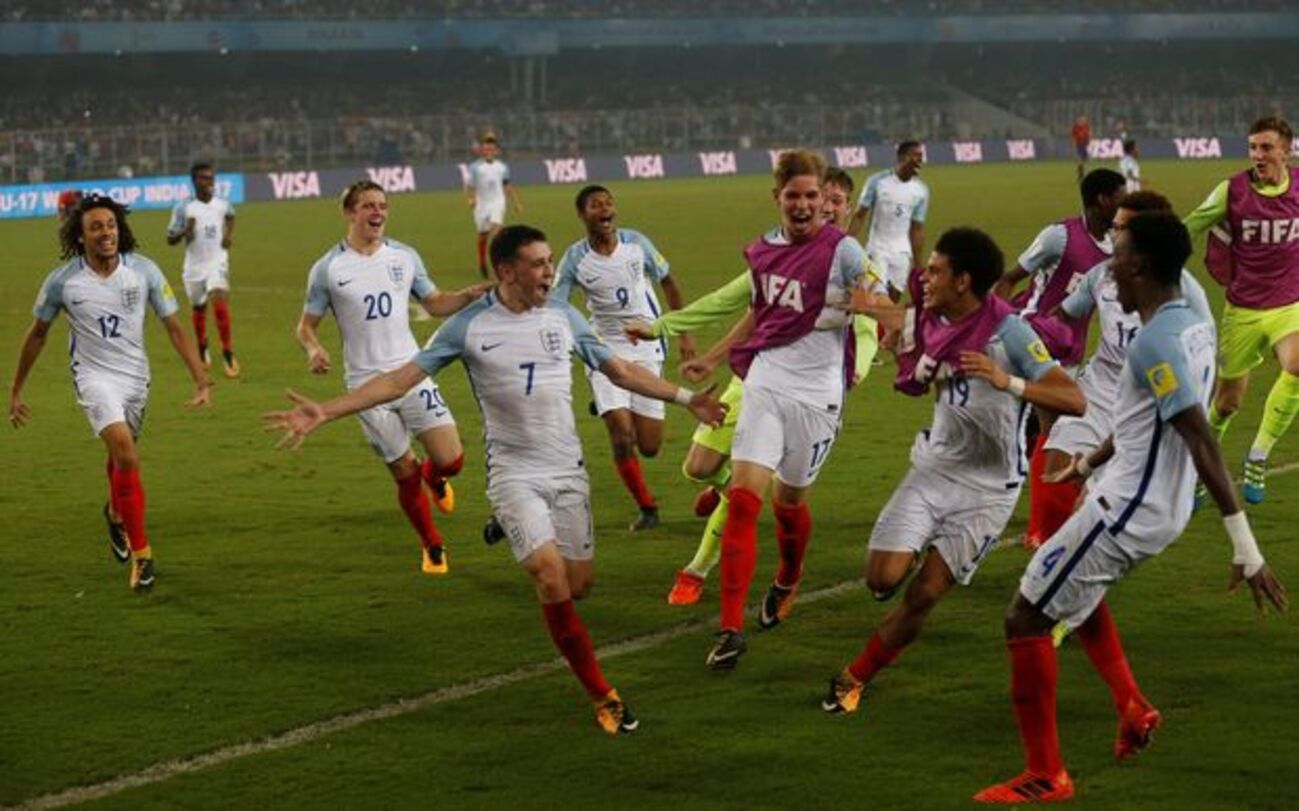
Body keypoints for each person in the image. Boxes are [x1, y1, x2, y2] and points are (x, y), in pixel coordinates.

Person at [266, 224, 726, 735]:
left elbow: (620, 371)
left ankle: (516, 533)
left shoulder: (564, 316)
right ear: (505, 271)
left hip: (568, 472)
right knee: (550, 577)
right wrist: (326, 411)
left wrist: (687, 400)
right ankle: (604, 694)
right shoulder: (467, 328)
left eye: (551, 261)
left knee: (579, 586)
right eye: (537, 264)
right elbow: (399, 380)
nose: (550, 272)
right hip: (513, 475)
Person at [974, 211, 1288, 805]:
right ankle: (1134, 708)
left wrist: (1247, 550)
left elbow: (1201, 437)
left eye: (1115, 250)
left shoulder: (1153, 343)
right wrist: (1088, 464)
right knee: (1074, 591)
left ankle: (1046, 774)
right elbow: (1152, 417)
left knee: (1023, 618)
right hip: (1141, 498)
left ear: (1139, 263)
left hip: (1126, 513)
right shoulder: (1191, 317)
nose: (1106, 262)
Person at [820, 228, 1084, 717]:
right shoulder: (934, 320)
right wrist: (865, 305)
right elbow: (904, 320)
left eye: (937, 270)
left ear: (963, 281)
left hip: (988, 490)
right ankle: (917, 545)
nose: (927, 277)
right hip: (933, 471)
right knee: (881, 579)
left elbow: (1072, 398)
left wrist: (1008, 381)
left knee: (922, 595)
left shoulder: (1009, 333)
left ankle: (855, 676)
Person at [628, 166, 884, 606]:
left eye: (839, 200)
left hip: (808, 392)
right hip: (755, 379)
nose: (829, 206)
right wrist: (670, 332)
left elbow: (869, 324)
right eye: (826, 198)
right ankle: (726, 490)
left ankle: (697, 568)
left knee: (747, 492)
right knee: (697, 467)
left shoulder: (855, 264)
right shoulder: (782, 253)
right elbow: (737, 303)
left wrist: (857, 368)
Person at [675, 149, 875, 671]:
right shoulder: (762, 251)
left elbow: (881, 303)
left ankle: (788, 576)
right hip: (764, 382)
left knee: (789, 505)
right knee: (743, 501)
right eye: (795, 196)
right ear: (777, 199)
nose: (805, 204)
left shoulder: (845, 252)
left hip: (817, 397)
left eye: (812, 196)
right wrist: (713, 358)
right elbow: (757, 315)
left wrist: (872, 310)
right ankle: (730, 629)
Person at [10, 194, 212, 592]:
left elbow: (173, 326)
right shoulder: (63, 281)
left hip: (136, 378)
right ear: (80, 236)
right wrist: (16, 389)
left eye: (111, 225)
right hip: (93, 378)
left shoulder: (145, 272)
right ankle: (143, 555)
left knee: (122, 455)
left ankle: (115, 512)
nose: (106, 233)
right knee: (124, 449)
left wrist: (201, 377)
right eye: (96, 227)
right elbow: (37, 335)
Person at [297, 180, 487, 574]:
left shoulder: (404, 257)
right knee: (404, 472)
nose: (377, 212)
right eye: (367, 206)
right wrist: (314, 348)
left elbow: (434, 304)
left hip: (413, 371)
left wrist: (468, 294)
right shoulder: (328, 269)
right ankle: (432, 545)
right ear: (350, 213)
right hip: (367, 386)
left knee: (451, 460)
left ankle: (437, 479)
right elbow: (305, 326)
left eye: (382, 205)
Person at [1036, 191, 1212, 542]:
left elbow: (1201, 365)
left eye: (1122, 229)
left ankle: (1068, 570)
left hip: (1147, 402)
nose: (1112, 236)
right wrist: (1037, 334)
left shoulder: (1187, 295)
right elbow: (1065, 315)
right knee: (1054, 465)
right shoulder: (1100, 276)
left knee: (1095, 508)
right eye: (1113, 227)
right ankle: (1055, 557)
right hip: (1099, 389)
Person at [994, 168, 1126, 549]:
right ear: (1103, 200)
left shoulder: (1117, 251)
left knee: (1053, 436)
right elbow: (1011, 277)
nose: (1125, 199)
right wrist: (998, 325)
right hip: (1030, 343)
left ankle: (1043, 526)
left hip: (1068, 354)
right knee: (1027, 433)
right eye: (1121, 194)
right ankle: (1037, 525)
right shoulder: (1060, 236)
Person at [552, 185, 696, 531]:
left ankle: (611, 402)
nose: (604, 210)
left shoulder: (636, 244)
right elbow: (555, 304)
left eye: (608, 203)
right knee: (621, 434)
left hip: (646, 345)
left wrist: (684, 334)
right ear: (582, 215)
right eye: (595, 205)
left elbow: (670, 283)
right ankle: (647, 508)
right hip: (604, 348)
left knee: (649, 446)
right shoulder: (574, 259)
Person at [1183, 116, 1299, 504]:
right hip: (1243, 309)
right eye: (1253, 148)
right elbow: (1192, 226)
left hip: (1289, 304)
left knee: (1297, 364)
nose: (1258, 155)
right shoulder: (1230, 191)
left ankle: (1259, 454)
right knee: (1228, 401)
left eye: (1266, 148)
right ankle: (1204, 465)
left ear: (1286, 150)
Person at [167, 162, 240, 378]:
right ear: (194, 181)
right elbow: (170, 238)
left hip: (218, 261)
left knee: (219, 301)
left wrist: (228, 236)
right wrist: (184, 231)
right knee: (199, 308)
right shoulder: (183, 208)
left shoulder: (222, 204)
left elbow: (231, 216)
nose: (209, 182)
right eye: (204, 178)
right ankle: (202, 346)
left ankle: (227, 352)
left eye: (211, 178)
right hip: (194, 266)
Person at [847, 140, 929, 301]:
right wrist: (845, 243)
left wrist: (919, 265)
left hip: (902, 253)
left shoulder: (921, 191)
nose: (920, 160)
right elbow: (859, 215)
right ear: (903, 157)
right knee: (877, 296)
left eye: (921, 156)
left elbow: (917, 228)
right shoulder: (877, 182)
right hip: (878, 249)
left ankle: (884, 326)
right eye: (916, 156)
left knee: (893, 298)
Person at [464, 134, 522, 278]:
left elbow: (507, 185)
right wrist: (470, 199)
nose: (488, 151)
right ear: (482, 151)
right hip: (481, 204)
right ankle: (482, 262)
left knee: (496, 233)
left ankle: (498, 267)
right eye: (486, 149)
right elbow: (468, 186)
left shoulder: (502, 167)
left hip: (498, 202)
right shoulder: (475, 167)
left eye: (491, 149)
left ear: (496, 151)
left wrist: (516, 202)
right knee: (483, 235)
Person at [1071, 115, 1092, 183]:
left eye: (1083, 120)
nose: (1082, 121)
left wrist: (1089, 140)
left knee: (1084, 160)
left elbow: (1089, 133)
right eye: (1081, 120)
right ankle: (1081, 175)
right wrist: (1073, 141)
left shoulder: (1086, 126)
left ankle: (1082, 174)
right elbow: (1073, 135)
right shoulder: (1076, 127)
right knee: (1080, 160)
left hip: (1085, 145)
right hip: (1079, 145)